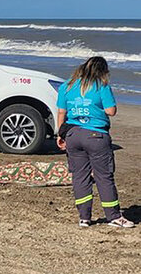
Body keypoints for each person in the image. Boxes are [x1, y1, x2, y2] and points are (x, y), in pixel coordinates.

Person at [56, 56, 134, 228]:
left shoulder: (67, 86)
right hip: (96, 135)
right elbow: (111, 111)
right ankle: (113, 216)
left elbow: (61, 112)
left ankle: (84, 217)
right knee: (104, 176)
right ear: (103, 71)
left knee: (79, 176)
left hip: (73, 134)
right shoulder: (101, 85)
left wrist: (60, 135)